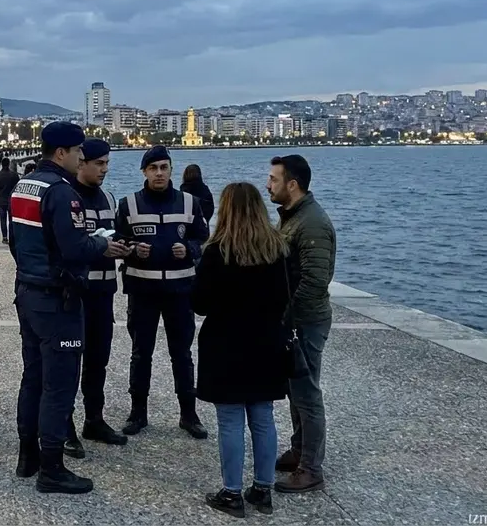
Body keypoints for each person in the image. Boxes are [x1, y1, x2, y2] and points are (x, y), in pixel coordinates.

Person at [9, 122, 130, 494]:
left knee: (33, 378)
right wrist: (102, 245)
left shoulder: (24, 185)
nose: (81, 157)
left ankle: (28, 455)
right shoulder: (62, 193)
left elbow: (15, 241)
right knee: (59, 385)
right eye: (78, 151)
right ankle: (52, 468)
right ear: (61, 153)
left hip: (28, 291)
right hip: (56, 299)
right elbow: (75, 248)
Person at [194, 182, 293, 517]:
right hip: (266, 343)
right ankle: (263, 489)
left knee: (231, 420)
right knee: (263, 417)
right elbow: (284, 297)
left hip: (226, 345)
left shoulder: (217, 251)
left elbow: (200, 303)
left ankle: (232, 492)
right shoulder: (276, 248)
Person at [116, 145, 210, 440]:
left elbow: (203, 237)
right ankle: (137, 412)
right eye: (153, 168)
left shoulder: (190, 203)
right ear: (144, 172)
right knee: (140, 354)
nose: (159, 173)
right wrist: (133, 249)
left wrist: (189, 249)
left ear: (171, 170)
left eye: (164, 167)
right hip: (142, 291)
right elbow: (118, 240)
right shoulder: (128, 205)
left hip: (180, 291)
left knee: (182, 354)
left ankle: (189, 414)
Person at [267, 154, 336, 493]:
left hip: (306, 321)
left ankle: (311, 467)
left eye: (274, 179)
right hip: (296, 320)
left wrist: (288, 317)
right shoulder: (293, 217)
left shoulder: (311, 224)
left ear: (292, 184)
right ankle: (299, 449)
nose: (268, 185)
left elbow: (314, 281)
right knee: (296, 390)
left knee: (307, 393)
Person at [63, 138, 127, 459]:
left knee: (98, 360)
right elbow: (66, 246)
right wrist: (100, 249)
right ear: (81, 163)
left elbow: (114, 236)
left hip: (104, 294)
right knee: (69, 362)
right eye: (99, 163)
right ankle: (65, 426)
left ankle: (94, 419)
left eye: (107, 164)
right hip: (76, 295)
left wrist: (126, 248)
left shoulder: (107, 198)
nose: (104, 170)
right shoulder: (66, 197)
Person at [0, 158, 20, 244]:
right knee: (11, 220)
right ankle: (11, 236)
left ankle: (4, 237)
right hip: (11, 200)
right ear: (9, 164)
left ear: (1, 164)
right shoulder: (14, 175)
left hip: (1, 201)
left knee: (2, 219)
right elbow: (18, 187)